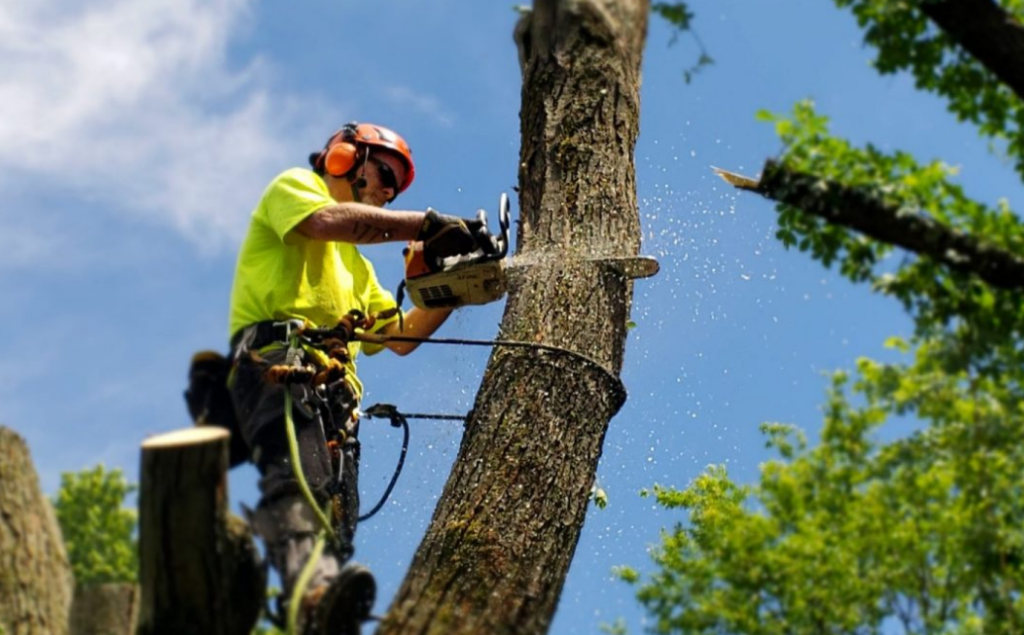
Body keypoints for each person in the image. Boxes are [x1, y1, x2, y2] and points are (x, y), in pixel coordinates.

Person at [227, 122, 486, 634]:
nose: (388, 191)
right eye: (384, 173)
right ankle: (312, 595)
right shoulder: (296, 190)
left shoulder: (359, 270)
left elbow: (401, 337)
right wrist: (427, 225)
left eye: (397, 187)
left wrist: (456, 285)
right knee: (300, 481)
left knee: (337, 518)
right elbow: (327, 222)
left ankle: (325, 611)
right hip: (280, 363)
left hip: (335, 399)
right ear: (344, 157)